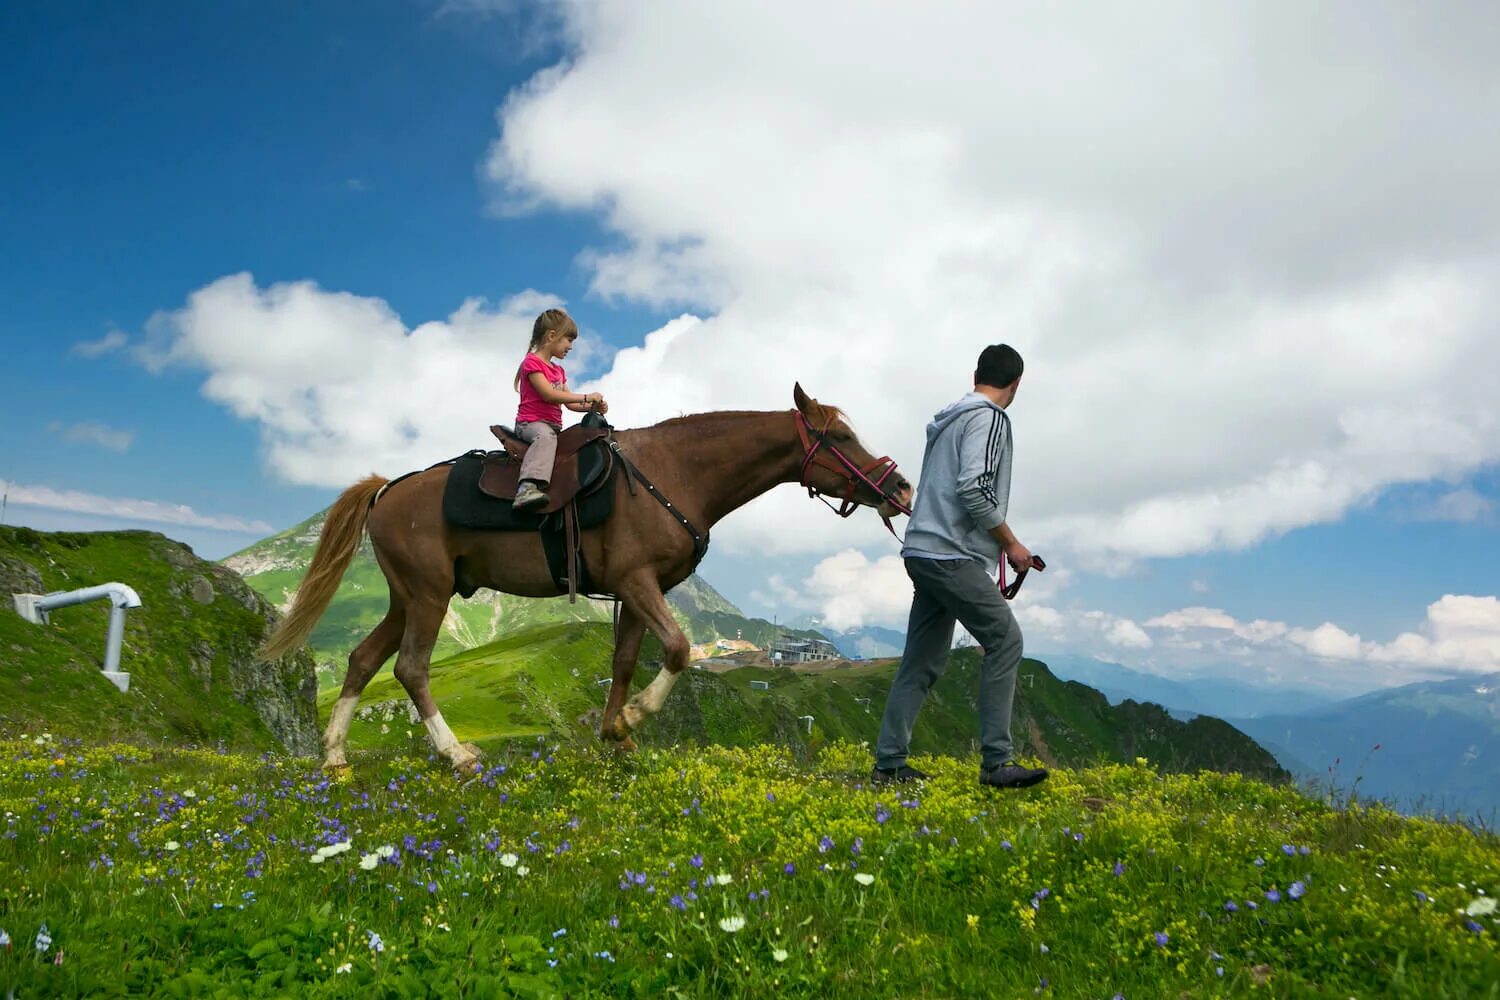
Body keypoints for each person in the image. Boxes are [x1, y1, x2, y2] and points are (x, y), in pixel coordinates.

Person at [871, 343, 1048, 790]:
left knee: (922, 661)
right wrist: (1011, 545)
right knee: (1005, 639)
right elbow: (973, 488)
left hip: (923, 552)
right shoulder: (989, 419)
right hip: (952, 555)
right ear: (1017, 384)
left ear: (976, 374)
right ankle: (997, 762)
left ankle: (890, 762)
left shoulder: (947, 421)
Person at [512, 308, 608, 510]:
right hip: (531, 423)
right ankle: (526, 487)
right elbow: (550, 395)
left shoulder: (558, 371)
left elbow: (570, 403)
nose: (570, 347)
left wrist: (593, 406)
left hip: (552, 426)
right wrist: (586, 396)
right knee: (545, 438)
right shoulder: (532, 363)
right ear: (552, 336)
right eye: (568, 340)